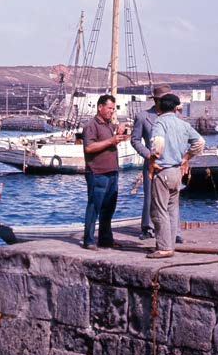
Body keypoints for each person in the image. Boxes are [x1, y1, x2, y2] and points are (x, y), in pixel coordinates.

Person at [147, 93, 205, 259]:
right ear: (175, 107)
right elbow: (200, 142)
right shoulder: (183, 124)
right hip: (176, 172)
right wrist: (186, 158)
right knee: (172, 210)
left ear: (160, 107)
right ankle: (170, 244)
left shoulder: (160, 122)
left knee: (159, 210)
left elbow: (157, 145)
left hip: (163, 171)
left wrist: (152, 160)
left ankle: (164, 248)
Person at [131, 83, 183, 245]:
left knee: (173, 199)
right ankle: (147, 228)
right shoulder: (142, 117)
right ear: (155, 100)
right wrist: (148, 155)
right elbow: (135, 140)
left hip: (172, 164)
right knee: (150, 196)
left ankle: (175, 232)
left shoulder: (177, 119)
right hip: (152, 163)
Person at [81, 94, 130, 250]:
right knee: (94, 206)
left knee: (108, 208)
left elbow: (113, 137)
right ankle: (88, 240)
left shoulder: (109, 125)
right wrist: (111, 141)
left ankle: (106, 239)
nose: (112, 112)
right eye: (109, 108)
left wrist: (119, 130)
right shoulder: (91, 126)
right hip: (97, 172)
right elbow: (89, 147)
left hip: (112, 172)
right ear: (100, 107)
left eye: (113, 109)